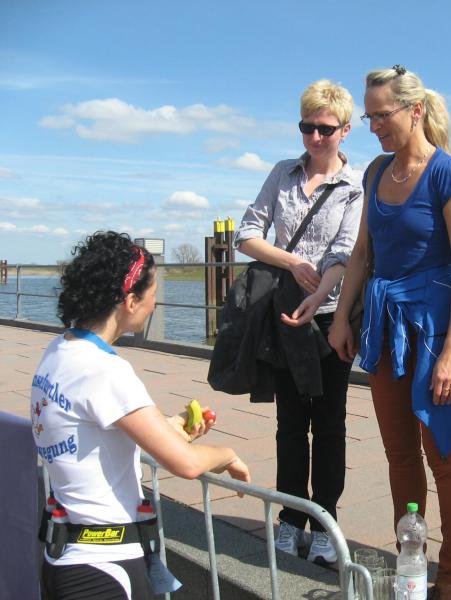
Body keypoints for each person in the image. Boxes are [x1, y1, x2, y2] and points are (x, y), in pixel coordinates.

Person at [328, 65, 451, 600]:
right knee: (400, 456)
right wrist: (341, 317)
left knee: (444, 455)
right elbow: (362, 252)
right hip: (385, 328)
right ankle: (412, 562)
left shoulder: (450, 174)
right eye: (369, 116)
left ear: (415, 110)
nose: (374, 125)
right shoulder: (376, 171)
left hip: (432, 330)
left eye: (382, 114)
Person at [31, 231, 251, 599]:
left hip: (64, 557)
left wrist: (169, 427)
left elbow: (91, 430)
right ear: (131, 301)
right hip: (104, 566)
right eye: (153, 294)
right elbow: (186, 464)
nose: (155, 303)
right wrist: (227, 455)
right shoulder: (105, 371)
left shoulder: (59, 351)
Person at [234, 79, 362, 565]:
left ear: (345, 130)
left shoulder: (355, 185)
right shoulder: (282, 173)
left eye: (325, 129)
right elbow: (247, 234)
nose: (314, 137)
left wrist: (320, 295)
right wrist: (291, 262)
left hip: (331, 319)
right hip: (284, 314)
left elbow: (346, 252)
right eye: (307, 127)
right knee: (290, 423)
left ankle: (326, 524)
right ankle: (290, 521)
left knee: (329, 424)